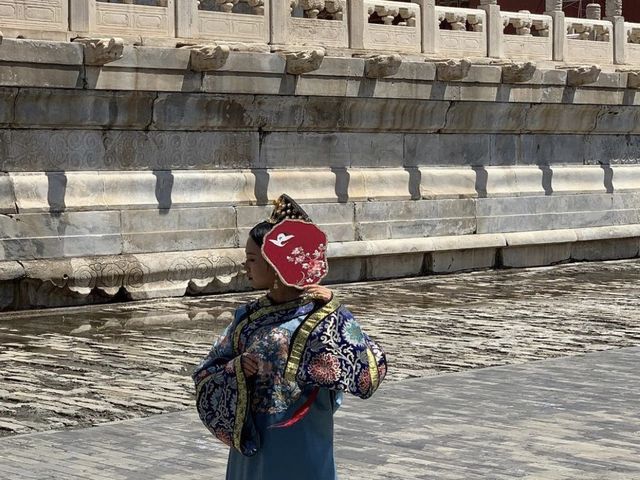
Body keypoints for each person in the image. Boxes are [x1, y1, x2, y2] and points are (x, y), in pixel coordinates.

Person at [192, 195, 387, 480]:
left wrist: (337, 310)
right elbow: (205, 373)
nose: (245, 267)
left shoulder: (323, 318)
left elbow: (369, 372)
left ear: (275, 264)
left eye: (251, 259)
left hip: (304, 442)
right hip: (257, 447)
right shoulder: (246, 319)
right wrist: (235, 371)